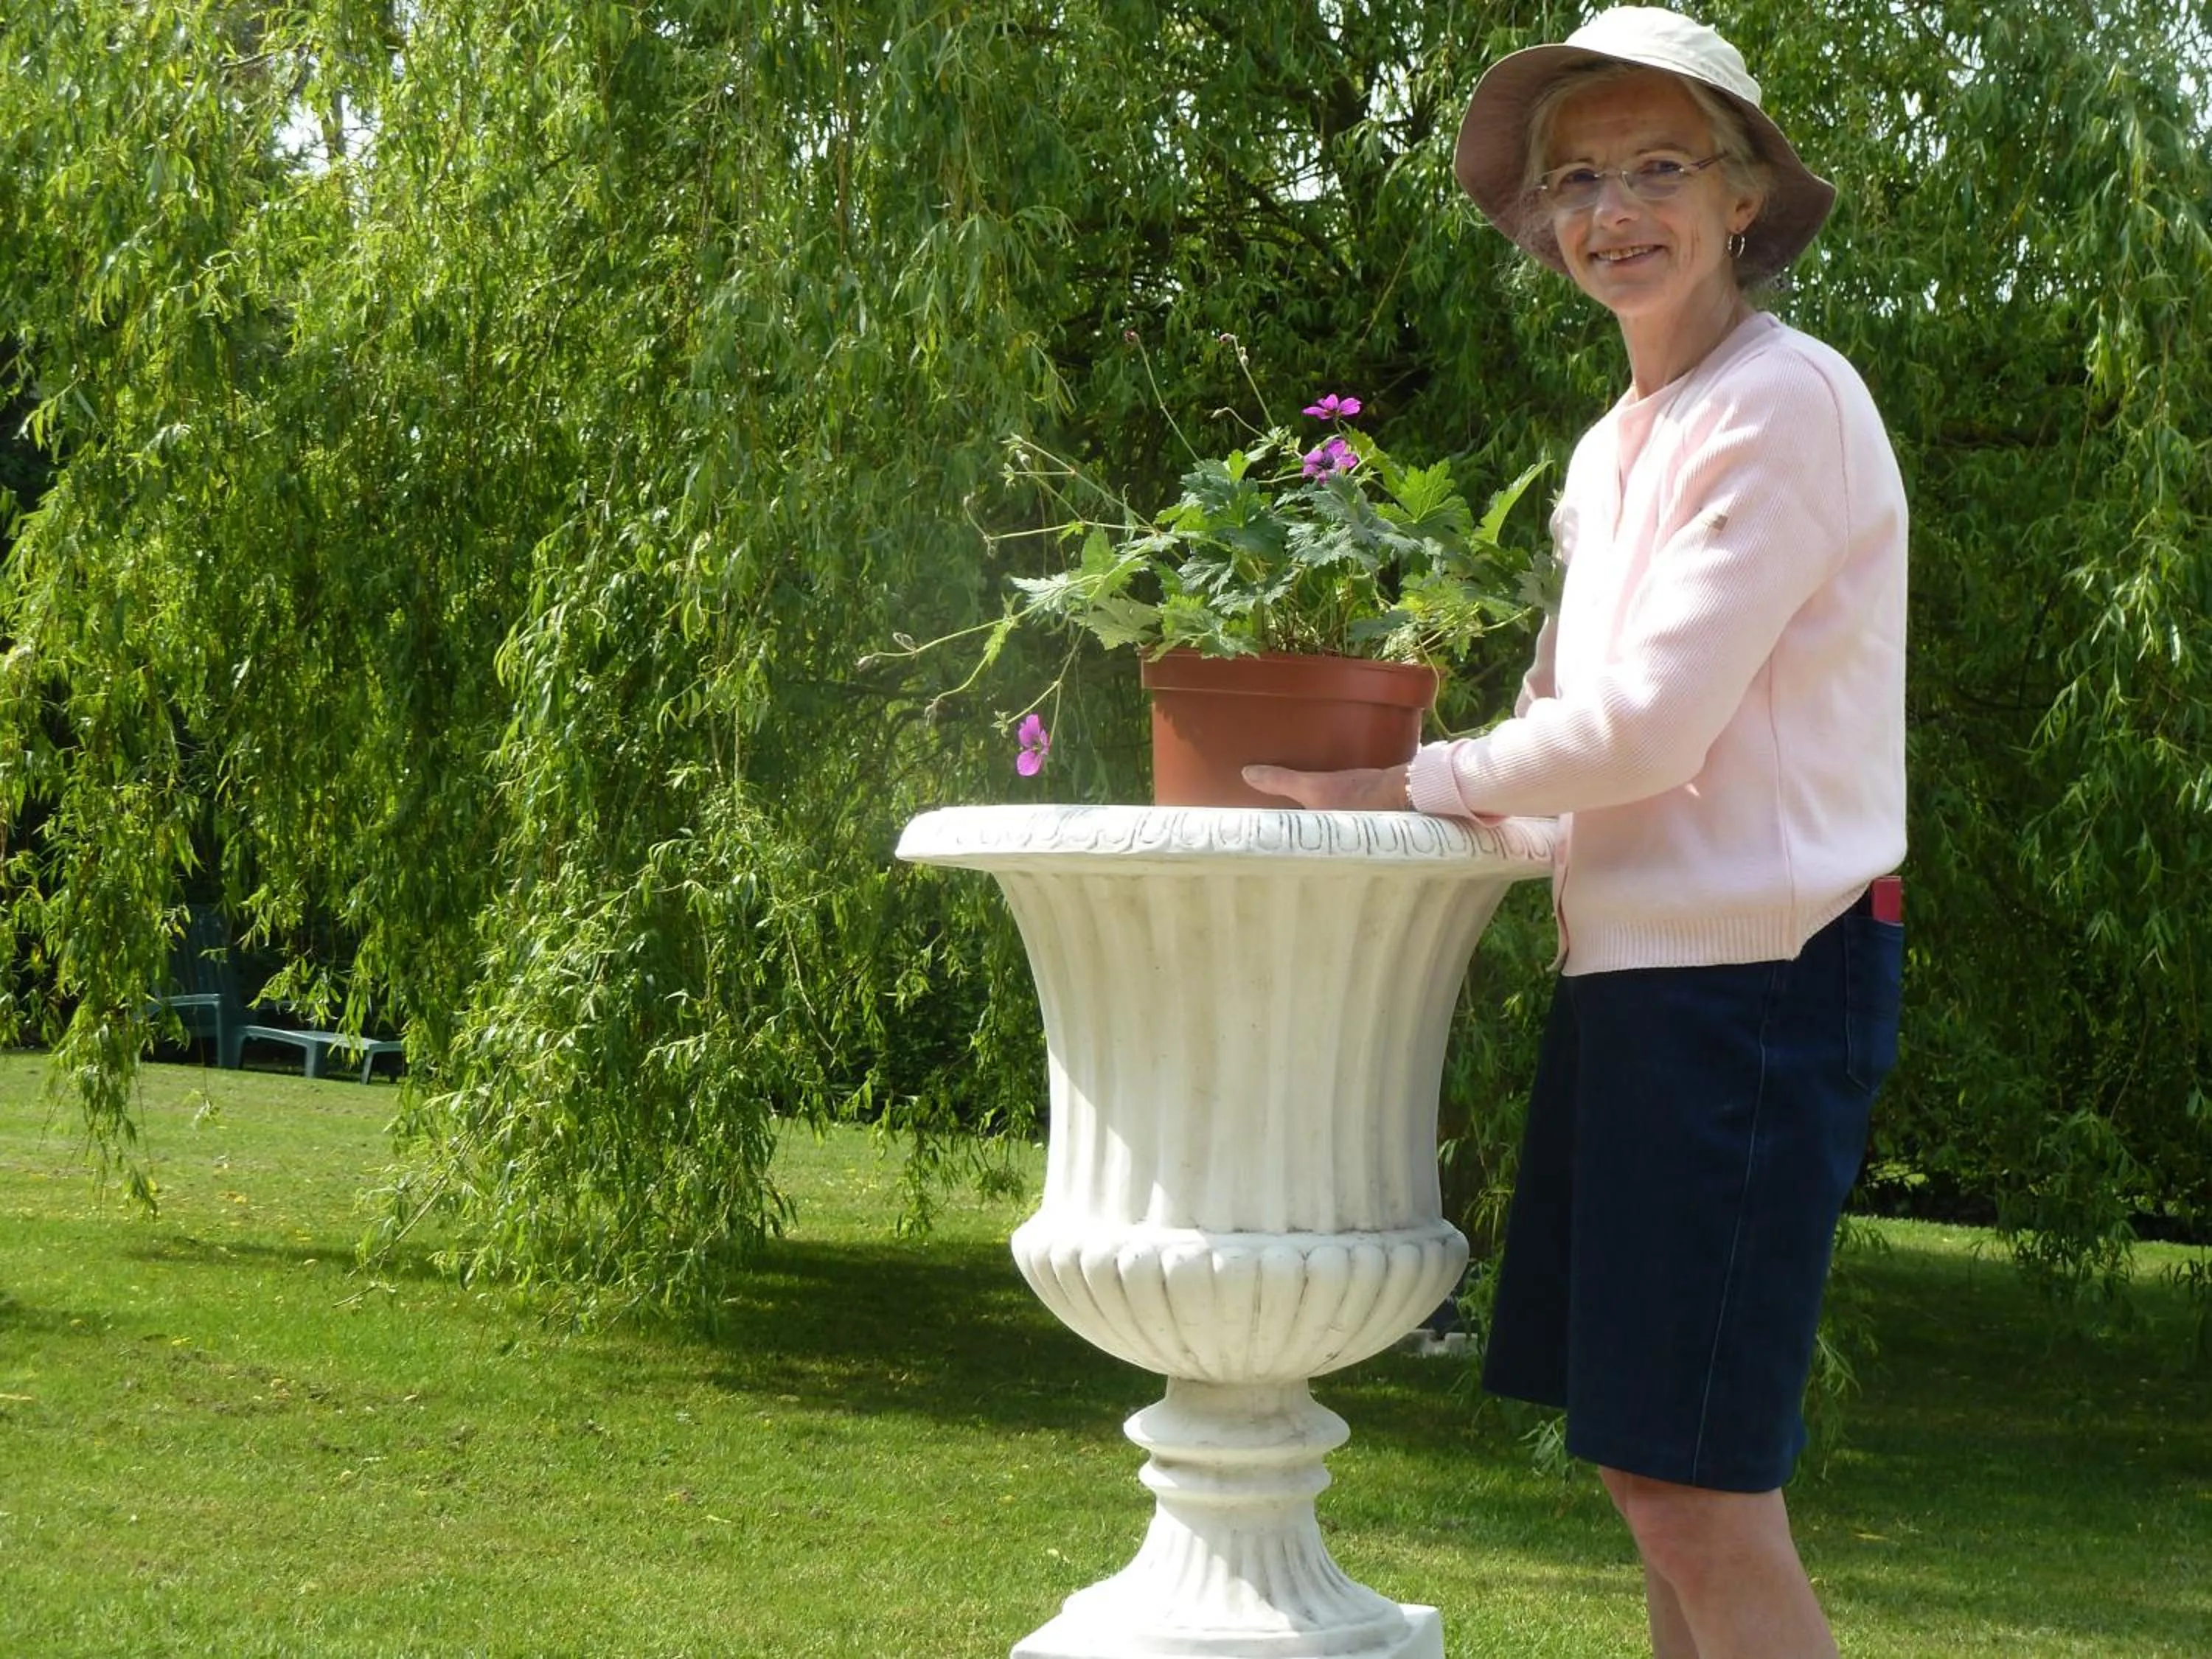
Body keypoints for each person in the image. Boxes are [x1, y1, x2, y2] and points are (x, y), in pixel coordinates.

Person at [1244, 9, 1907, 1658]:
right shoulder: (1614, 450)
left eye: (1661, 167)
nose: (1615, 210)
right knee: (1648, 1472)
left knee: (1696, 1493)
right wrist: (1402, 829)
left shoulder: (1787, 404)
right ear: (1545, 225)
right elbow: (1561, 770)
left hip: (1759, 983)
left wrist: (1395, 781)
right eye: (1579, 180)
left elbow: (1646, 734)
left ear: (1746, 197)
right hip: (1643, 990)